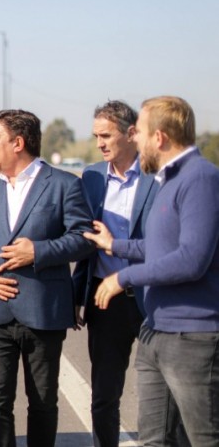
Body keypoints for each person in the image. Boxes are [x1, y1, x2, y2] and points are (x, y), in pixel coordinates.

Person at [0, 109, 94, 446]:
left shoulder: (63, 185)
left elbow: (84, 238)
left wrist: (40, 252)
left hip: (44, 312)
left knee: (43, 403)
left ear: (17, 143)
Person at [88, 96, 219, 446]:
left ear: (158, 138)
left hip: (192, 337)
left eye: (140, 132)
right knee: (154, 439)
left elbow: (192, 258)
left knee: (202, 439)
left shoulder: (201, 178)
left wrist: (123, 276)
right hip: (157, 331)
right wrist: (115, 247)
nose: (136, 138)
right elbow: (160, 248)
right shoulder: (167, 180)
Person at [71, 100, 160, 446]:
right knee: (104, 395)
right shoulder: (91, 177)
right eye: (96, 136)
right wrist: (78, 296)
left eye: (106, 135)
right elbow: (83, 241)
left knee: (163, 392)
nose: (100, 144)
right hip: (105, 299)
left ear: (131, 133)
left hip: (154, 298)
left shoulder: (158, 176)